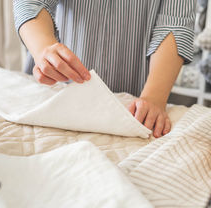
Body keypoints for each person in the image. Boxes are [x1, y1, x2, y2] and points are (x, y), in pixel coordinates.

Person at [13, 0, 195, 138]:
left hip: (133, 101)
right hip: (55, 89)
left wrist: (154, 97)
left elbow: (175, 24)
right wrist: (44, 48)